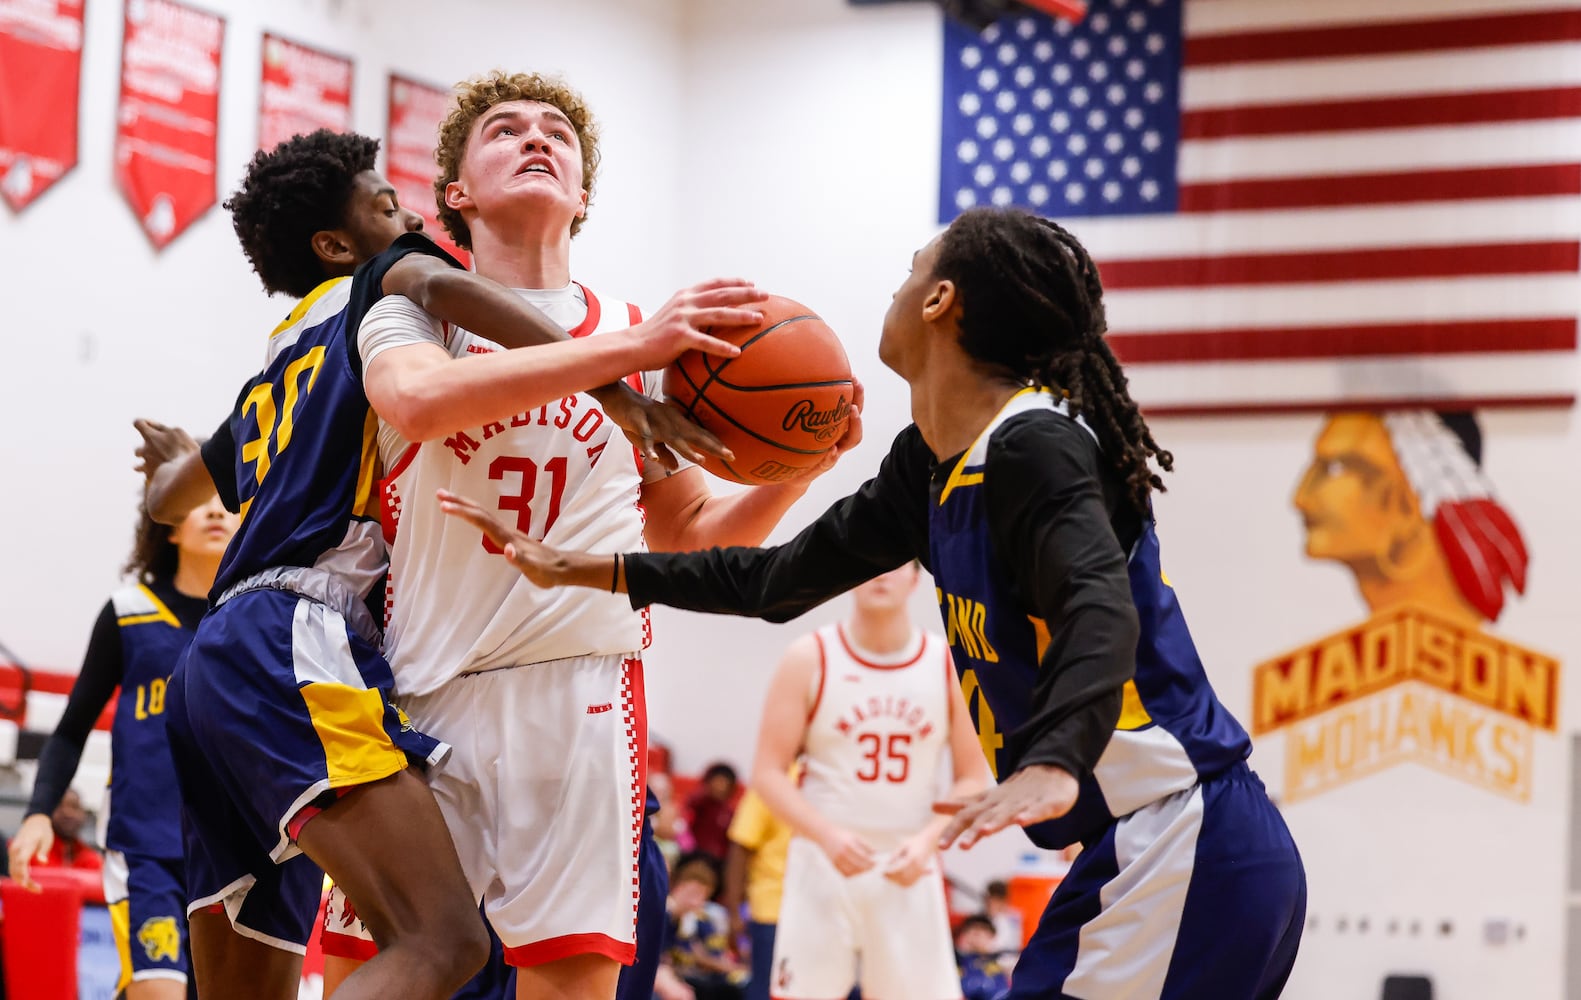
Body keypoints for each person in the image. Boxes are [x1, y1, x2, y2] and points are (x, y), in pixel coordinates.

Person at [440, 206, 1308, 999]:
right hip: (1144, 853)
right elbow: (773, 581)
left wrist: (1052, 760)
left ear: (938, 301)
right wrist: (588, 569)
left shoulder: (1035, 444)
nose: (892, 289)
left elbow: (1097, 606)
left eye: (907, 270)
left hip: (1181, 838)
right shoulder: (926, 466)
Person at [135, 128, 749, 1000]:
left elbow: (169, 497)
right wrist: (614, 381)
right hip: (294, 638)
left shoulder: (275, 360)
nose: (413, 215)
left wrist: (168, 456)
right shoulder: (381, 288)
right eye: (389, 206)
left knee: (250, 985)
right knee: (439, 942)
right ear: (337, 246)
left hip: (214, 659)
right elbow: (449, 285)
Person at [323, 70, 859, 1000]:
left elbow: (688, 530)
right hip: (418, 691)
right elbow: (414, 405)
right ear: (456, 191)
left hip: (580, 690)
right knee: (376, 971)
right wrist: (630, 358)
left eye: (557, 135)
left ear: (581, 194)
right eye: (502, 130)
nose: (535, 138)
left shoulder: (642, 341)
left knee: (570, 983)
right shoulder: (415, 309)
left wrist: (794, 468)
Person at [8, 498, 237, 999]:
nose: (217, 513)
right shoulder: (129, 612)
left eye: (228, 504)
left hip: (233, 853)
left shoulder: (252, 617)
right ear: (171, 528)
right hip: (146, 846)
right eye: (201, 504)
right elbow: (71, 730)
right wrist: (38, 812)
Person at [745, 562, 988, 1000]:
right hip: (823, 862)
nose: (881, 573)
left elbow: (973, 778)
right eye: (870, 562)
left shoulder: (945, 663)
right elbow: (767, 773)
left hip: (908, 864)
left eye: (895, 563)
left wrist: (929, 841)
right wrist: (826, 835)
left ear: (917, 577)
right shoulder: (809, 656)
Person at [720, 778, 793, 1000]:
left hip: (821, 912)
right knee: (765, 990)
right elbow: (741, 846)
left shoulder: (833, 780)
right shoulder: (773, 781)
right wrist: (733, 913)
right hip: (773, 910)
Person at [665, 853, 747, 1000]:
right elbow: (693, 957)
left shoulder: (689, 919)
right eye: (694, 893)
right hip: (675, 974)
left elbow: (695, 952)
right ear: (679, 887)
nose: (697, 901)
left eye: (702, 896)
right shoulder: (666, 913)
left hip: (684, 973)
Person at [684, 763, 739, 863]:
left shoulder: (730, 813)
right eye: (718, 782)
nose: (720, 787)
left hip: (718, 862)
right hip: (694, 857)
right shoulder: (698, 803)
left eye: (724, 783)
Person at [953, 915, 1012, 1000]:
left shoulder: (1005, 960)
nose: (976, 936)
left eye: (982, 931)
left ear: (992, 936)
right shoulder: (955, 962)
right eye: (971, 930)